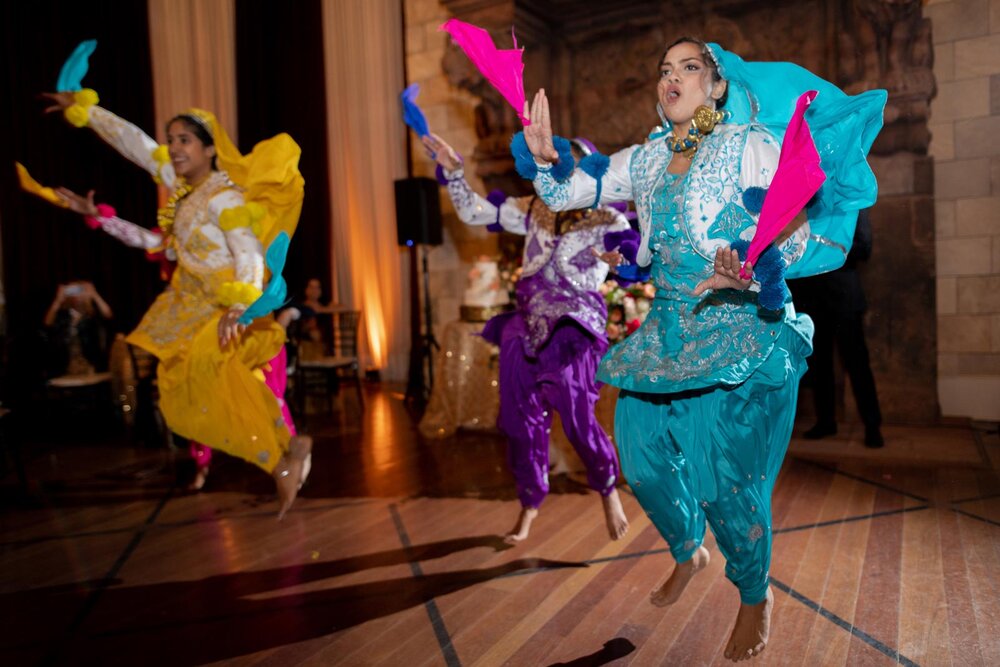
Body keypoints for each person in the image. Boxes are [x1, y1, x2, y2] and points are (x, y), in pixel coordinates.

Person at [521, 37, 884, 661]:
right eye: (664, 68)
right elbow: (563, 194)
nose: (673, 77)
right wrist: (547, 159)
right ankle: (690, 548)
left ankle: (752, 593)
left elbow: (791, 236)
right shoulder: (647, 158)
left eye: (689, 67)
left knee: (726, 482)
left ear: (716, 86)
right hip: (665, 332)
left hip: (735, 326)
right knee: (638, 456)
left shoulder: (750, 147)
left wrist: (749, 263)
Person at [42, 91, 311, 518]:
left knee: (207, 388)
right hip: (191, 305)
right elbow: (139, 153)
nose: (174, 146)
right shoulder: (185, 194)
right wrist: (87, 117)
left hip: (224, 309)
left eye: (185, 139)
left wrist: (240, 305)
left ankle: (280, 462)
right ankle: (286, 450)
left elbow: (248, 253)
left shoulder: (225, 198)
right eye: (172, 139)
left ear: (210, 148)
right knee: (183, 397)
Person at [421, 131, 633, 545]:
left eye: (569, 168)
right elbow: (476, 214)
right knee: (519, 422)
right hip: (528, 322)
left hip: (574, 323)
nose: (561, 176)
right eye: (555, 169)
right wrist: (456, 173)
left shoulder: (607, 217)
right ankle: (530, 502)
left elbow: (629, 254)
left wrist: (616, 258)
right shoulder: (533, 207)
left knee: (576, 418)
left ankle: (607, 489)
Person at [790, 209, 883, 447]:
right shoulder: (807, 206)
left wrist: (825, 249)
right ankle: (826, 422)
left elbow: (864, 247)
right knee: (819, 363)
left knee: (856, 362)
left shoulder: (853, 204)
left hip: (844, 296)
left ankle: (872, 425)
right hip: (812, 296)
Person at [43, 281, 113, 377]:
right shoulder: (63, 315)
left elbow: (108, 315)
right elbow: (48, 323)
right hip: (65, 365)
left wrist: (94, 295)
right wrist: (58, 300)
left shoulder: (92, 316)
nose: (77, 296)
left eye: (79, 290)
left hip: (90, 364)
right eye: (72, 291)